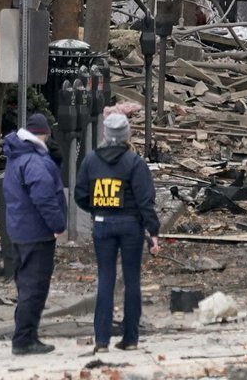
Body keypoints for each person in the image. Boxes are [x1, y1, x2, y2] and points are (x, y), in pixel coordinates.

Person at [74, 112, 161, 354]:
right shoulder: (135, 163)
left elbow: (80, 194)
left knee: (106, 279)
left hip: (102, 224)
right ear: (126, 136)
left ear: (105, 135)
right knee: (132, 280)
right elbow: (146, 201)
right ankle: (130, 338)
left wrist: (98, 209)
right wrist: (153, 232)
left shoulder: (91, 161)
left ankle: (102, 340)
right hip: (131, 226)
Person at [1, 112, 67, 356]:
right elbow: (44, 196)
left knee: (25, 286)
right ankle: (24, 340)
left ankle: (26, 335)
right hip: (36, 233)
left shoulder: (16, 157)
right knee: (34, 288)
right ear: (44, 134)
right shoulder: (34, 161)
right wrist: (58, 224)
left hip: (19, 230)